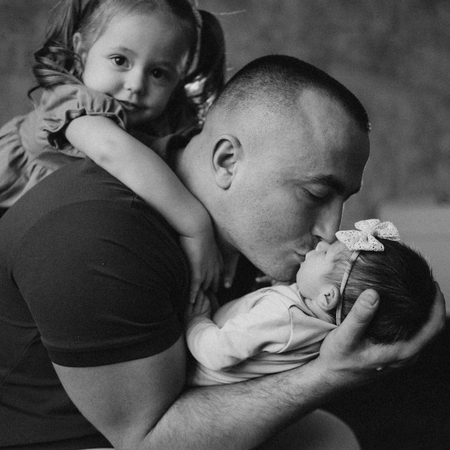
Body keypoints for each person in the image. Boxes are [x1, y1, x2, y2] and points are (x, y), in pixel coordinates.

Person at [0, 55, 445, 450]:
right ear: (227, 161)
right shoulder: (98, 234)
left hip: (170, 405)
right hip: (87, 439)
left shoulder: (241, 227)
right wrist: (328, 375)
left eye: (343, 199)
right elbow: (148, 440)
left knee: (332, 438)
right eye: (315, 194)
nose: (332, 231)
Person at [0, 0, 227, 301]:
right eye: (120, 60)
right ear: (81, 49)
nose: (136, 84)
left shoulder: (153, 128)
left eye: (159, 73)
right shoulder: (72, 103)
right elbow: (113, 152)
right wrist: (196, 226)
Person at [186, 219, 437, 386]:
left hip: (197, 363)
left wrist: (197, 322)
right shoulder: (320, 327)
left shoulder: (282, 316)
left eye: (326, 253)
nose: (321, 245)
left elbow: (218, 353)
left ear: (327, 297)